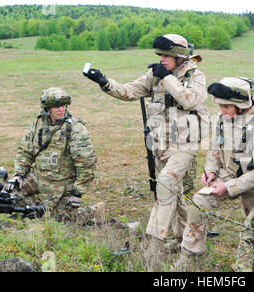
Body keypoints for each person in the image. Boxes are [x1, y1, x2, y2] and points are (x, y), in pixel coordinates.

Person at [83, 34, 209, 270]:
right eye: (160, 55)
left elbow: (191, 101)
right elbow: (130, 91)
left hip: (184, 145)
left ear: (179, 57)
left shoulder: (195, 75)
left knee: (165, 186)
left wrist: (168, 79)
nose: (162, 59)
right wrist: (104, 82)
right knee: (176, 195)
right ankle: (186, 241)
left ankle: (153, 249)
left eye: (166, 56)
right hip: (160, 145)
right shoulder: (156, 74)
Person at [173, 77, 254, 270]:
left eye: (226, 107)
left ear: (241, 105)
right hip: (229, 173)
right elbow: (216, 147)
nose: (221, 111)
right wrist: (210, 170)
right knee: (198, 204)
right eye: (220, 106)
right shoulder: (225, 116)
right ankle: (190, 256)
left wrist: (228, 187)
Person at [3, 87, 102, 224]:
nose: (61, 109)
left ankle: (93, 211)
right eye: (56, 107)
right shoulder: (38, 124)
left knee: (60, 222)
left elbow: (86, 162)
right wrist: (18, 175)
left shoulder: (76, 128)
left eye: (63, 106)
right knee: (8, 196)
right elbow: (25, 151)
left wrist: (78, 191)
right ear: (47, 108)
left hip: (63, 183)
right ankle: (36, 206)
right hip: (39, 177)